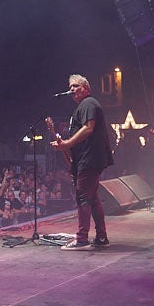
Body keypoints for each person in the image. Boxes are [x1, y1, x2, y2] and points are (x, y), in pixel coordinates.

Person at [49, 73, 114, 251]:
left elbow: (88, 128)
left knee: (83, 197)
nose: (71, 89)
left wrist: (68, 143)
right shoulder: (82, 107)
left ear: (86, 88)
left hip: (90, 159)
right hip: (89, 158)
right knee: (92, 198)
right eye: (70, 87)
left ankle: (82, 238)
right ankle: (101, 237)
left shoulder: (88, 103)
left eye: (75, 86)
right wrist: (64, 145)